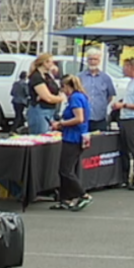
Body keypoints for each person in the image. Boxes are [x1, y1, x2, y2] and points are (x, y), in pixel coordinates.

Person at [51, 75, 92, 212]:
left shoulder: (75, 98)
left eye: (63, 88)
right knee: (65, 169)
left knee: (65, 169)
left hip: (73, 138)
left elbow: (79, 118)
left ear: (67, 86)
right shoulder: (82, 96)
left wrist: (61, 123)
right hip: (76, 135)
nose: (63, 91)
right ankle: (65, 198)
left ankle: (82, 194)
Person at [79, 47, 116, 133]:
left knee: (99, 143)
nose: (93, 62)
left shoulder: (106, 78)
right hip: (83, 117)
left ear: (99, 61)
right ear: (87, 60)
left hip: (100, 118)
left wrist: (102, 105)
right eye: (90, 59)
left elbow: (110, 96)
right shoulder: (79, 77)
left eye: (95, 59)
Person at [27, 53, 65, 135]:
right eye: (51, 62)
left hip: (50, 110)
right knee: (40, 135)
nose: (53, 64)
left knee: (49, 135)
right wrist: (61, 98)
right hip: (40, 110)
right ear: (45, 63)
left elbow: (56, 89)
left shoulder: (47, 75)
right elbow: (47, 97)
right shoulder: (36, 77)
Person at [113, 57, 134, 189]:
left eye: (125, 66)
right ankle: (125, 176)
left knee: (132, 148)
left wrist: (124, 105)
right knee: (125, 148)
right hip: (125, 118)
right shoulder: (130, 82)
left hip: (132, 118)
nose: (123, 69)